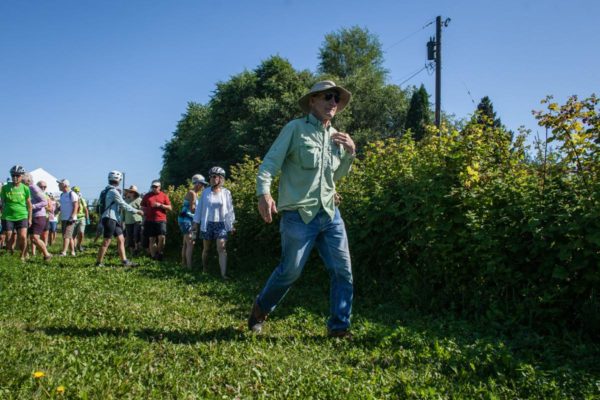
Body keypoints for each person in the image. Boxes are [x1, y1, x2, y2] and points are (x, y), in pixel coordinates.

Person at [247, 80, 357, 338]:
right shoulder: (295, 129)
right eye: (328, 97)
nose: (333, 103)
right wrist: (264, 193)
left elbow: (335, 177)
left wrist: (350, 153)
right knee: (290, 271)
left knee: (343, 271)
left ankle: (339, 327)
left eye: (337, 99)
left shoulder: (337, 137)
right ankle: (260, 308)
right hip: (298, 215)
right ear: (312, 101)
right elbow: (269, 165)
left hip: (330, 214)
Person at [192, 168, 235, 279]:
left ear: (221, 178)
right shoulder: (206, 192)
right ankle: (205, 268)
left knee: (221, 247)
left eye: (215, 176)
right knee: (206, 249)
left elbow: (230, 210)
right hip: (207, 223)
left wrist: (232, 225)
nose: (212, 178)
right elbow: (199, 209)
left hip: (221, 224)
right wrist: (195, 223)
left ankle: (223, 274)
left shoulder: (226, 193)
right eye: (211, 176)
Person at [96, 171, 144, 267]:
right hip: (110, 218)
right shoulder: (113, 191)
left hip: (113, 218)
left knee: (121, 239)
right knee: (107, 241)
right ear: (119, 180)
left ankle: (124, 261)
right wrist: (136, 211)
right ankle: (98, 263)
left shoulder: (104, 191)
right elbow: (123, 204)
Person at [0, 165, 32, 261]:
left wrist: (30, 219)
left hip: (22, 215)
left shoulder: (25, 188)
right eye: (13, 175)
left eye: (17, 175)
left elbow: (29, 205)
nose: (15, 177)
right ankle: (10, 253)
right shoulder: (5, 188)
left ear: (21, 176)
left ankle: (22, 255)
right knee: (9, 236)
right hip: (8, 216)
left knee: (22, 236)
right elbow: (2, 203)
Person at [179, 174, 207, 268]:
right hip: (188, 220)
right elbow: (192, 209)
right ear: (197, 183)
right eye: (202, 184)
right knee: (191, 243)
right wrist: (203, 210)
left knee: (186, 243)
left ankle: (183, 264)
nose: (203, 186)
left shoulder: (194, 193)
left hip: (185, 219)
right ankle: (189, 267)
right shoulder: (193, 193)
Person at [22, 175, 52, 261]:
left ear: (28, 181)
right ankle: (25, 255)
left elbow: (44, 202)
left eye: (23, 181)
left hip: (38, 216)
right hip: (30, 215)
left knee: (35, 238)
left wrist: (32, 206)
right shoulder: (27, 188)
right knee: (29, 238)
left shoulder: (33, 188)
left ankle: (47, 254)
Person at [141, 180, 172, 261]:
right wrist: (144, 212)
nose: (154, 188)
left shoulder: (164, 195)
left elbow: (170, 208)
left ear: (160, 187)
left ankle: (159, 252)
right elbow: (142, 207)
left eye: (156, 187)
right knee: (152, 239)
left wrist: (160, 205)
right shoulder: (147, 196)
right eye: (153, 187)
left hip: (161, 219)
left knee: (162, 237)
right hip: (149, 220)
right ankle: (154, 257)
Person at [56, 178, 79, 256]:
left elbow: (76, 206)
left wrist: (72, 217)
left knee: (66, 235)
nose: (58, 185)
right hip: (64, 218)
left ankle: (64, 252)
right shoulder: (62, 195)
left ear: (64, 185)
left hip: (70, 218)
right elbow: (63, 206)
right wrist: (58, 209)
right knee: (68, 236)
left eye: (59, 184)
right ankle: (72, 252)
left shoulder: (72, 194)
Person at [122, 185, 143, 255]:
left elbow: (142, 210)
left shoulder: (139, 200)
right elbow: (123, 211)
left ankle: (137, 249)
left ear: (135, 193)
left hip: (137, 220)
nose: (130, 193)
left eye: (132, 192)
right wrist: (122, 220)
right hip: (128, 221)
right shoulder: (125, 201)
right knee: (129, 236)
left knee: (136, 235)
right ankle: (132, 252)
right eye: (129, 191)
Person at [72, 186, 90, 252]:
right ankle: (73, 248)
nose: (76, 193)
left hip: (82, 218)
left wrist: (87, 219)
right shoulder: (71, 199)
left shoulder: (82, 200)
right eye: (75, 191)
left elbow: (86, 209)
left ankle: (79, 245)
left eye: (77, 191)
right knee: (73, 234)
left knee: (81, 233)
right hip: (74, 218)